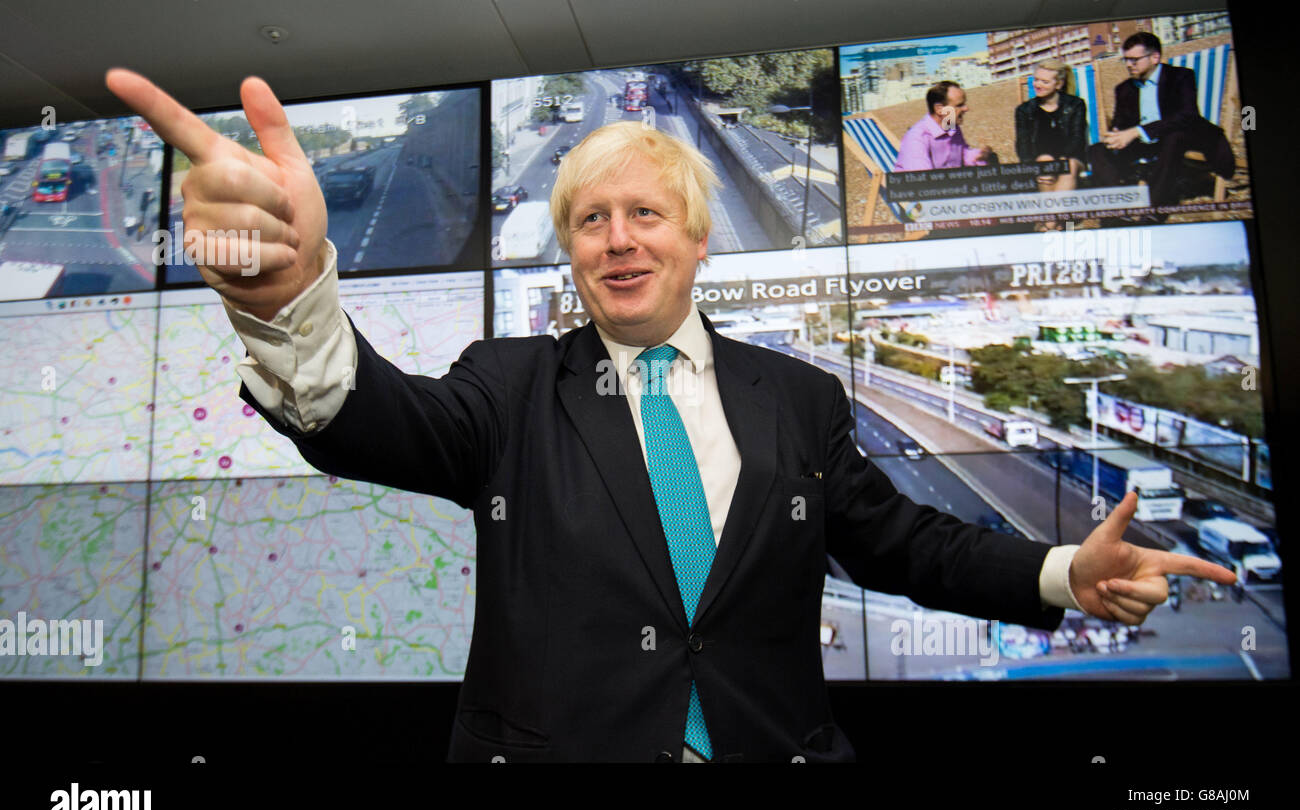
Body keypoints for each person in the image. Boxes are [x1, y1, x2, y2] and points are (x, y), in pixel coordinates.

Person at [104, 67, 1235, 763]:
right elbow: (368, 418)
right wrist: (288, 296)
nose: (617, 239)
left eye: (645, 212)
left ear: (698, 238)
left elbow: (903, 543)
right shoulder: (507, 387)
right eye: (589, 219)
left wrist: (1061, 576)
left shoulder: (796, 398)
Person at [1087, 32, 1234, 216]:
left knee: (1173, 138)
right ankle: (1119, 208)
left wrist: (1137, 132)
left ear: (1155, 57)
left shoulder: (1180, 77)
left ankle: (1154, 209)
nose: (1128, 65)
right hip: (1149, 143)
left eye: (1134, 60)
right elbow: (1121, 122)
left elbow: (1188, 116)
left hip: (1185, 136)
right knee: (1097, 150)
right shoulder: (1125, 88)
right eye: (1125, 60)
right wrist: (1117, 134)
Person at [1014, 59, 1088, 209]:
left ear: (1059, 84)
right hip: (1040, 161)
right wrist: (1032, 166)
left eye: (1045, 82)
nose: (1038, 85)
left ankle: (1050, 222)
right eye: (1036, 80)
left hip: (1071, 157)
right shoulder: (1024, 110)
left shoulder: (1075, 105)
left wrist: (1060, 162)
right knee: (1044, 161)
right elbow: (1023, 145)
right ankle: (1063, 225)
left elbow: (1078, 138)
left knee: (1069, 166)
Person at [893, 81, 993, 171]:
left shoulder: (951, 127)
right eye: (959, 105)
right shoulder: (917, 138)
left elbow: (962, 155)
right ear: (939, 109)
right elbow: (922, 181)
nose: (966, 108)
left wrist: (980, 155)